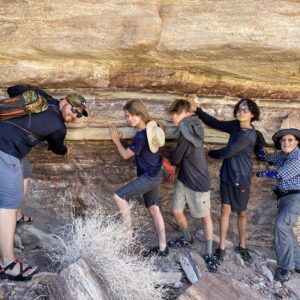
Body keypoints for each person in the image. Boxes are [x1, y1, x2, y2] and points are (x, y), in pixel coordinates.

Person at [0, 85, 88, 281]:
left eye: (79, 115)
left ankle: (17, 216)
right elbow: (58, 148)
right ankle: (7, 264)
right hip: (5, 149)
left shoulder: (42, 98)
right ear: (65, 101)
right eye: (74, 110)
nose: (75, 116)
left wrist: (41, 96)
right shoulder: (58, 127)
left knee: (26, 169)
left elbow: (14, 89)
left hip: (4, 139)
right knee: (9, 202)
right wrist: (66, 152)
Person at [187, 95, 260, 265]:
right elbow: (216, 123)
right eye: (240, 109)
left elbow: (227, 152)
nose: (241, 112)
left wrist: (210, 152)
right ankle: (221, 247)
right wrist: (197, 110)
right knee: (225, 210)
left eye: (246, 109)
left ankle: (242, 245)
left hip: (241, 178)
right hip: (227, 174)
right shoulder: (235, 126)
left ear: (253, 115)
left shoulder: (249, 135)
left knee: (241, 212)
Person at [109, 100, 168, 256]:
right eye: (127, 116)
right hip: (156, 173)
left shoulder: (141, 136)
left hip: (149, 176)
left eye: (133, 115)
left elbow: (125, 155)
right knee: (154, 209)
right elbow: (163, 126)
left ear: (141, 115)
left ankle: (128, 236)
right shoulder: (153, 129)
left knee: (119, 197)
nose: (129, 119)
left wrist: (116, 140)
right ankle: (163, 248)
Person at [168, 99, 218, 272]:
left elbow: (176, 159)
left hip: (198, 180)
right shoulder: (192, 126)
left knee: (205, 217)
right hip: (184, 177)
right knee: (176, 210)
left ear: (187, 113)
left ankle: (209, 253)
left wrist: (164, 156)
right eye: (172, 114)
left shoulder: (186, 129)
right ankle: (187, 237)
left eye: (176, 113)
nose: (173, 117)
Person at [256, 128, 300, 282]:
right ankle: (298, 262)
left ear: (297, 142)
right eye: (283, 140)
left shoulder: (298, 157)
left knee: (281, 226)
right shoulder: (282, 155)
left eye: (290, 140)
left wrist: (257, 174)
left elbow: (278, 174)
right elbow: (265, 157)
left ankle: (286, 267)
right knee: (286, 229)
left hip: (296, 196)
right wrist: (258, 142)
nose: (286, 142)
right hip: (284, 197)